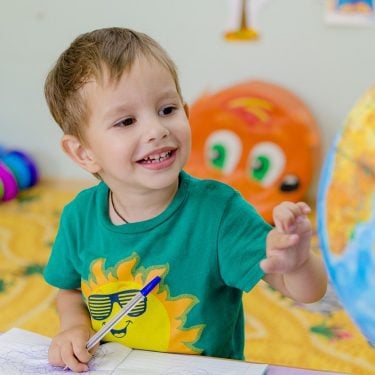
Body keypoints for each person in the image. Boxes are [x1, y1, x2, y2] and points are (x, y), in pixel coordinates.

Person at [43, 27, 327, 373]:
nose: (157, 129)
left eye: (166, 109)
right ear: (83, 152)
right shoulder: (78, 217)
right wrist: (73, 326)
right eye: (126, 120)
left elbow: (305, 292)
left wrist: (298, 264)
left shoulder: (220, 212)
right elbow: (69, 291)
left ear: (187, 112)